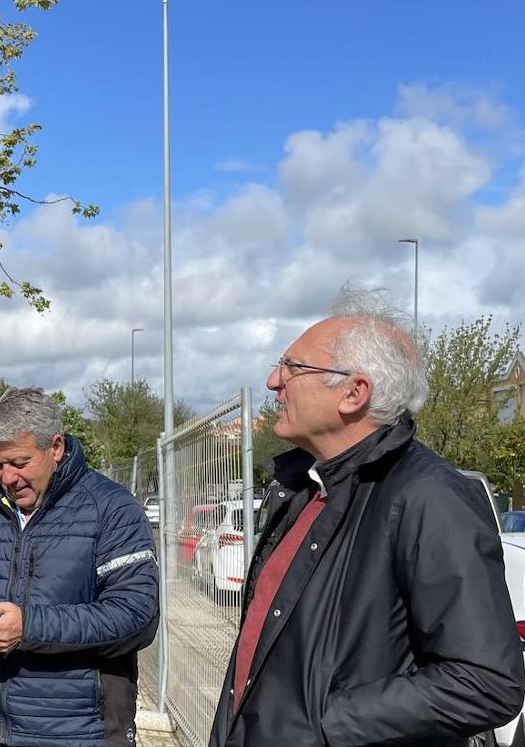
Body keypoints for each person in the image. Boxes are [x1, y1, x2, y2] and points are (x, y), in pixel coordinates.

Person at [209, 289, 525, 746]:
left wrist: (322, 725)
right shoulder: (300, 485)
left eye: (294, 368)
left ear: (355, 393)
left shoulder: (429, 497)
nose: (273, 380)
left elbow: (486, 682)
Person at [0, 388, 158, 747]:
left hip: (83, 733)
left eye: (19, 463)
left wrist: (29, 627)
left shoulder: (112, 509)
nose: (7, 477)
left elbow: (136, 616)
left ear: (55, 448)